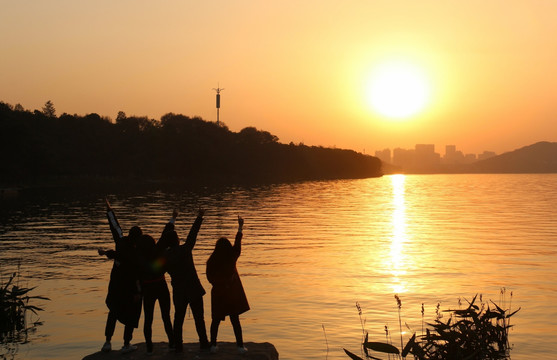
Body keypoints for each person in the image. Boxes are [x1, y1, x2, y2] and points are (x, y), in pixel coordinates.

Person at [159, 208, 210, 353]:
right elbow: (193, 234)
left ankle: (178, 345)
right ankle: (204, 343)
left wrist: (172, 219)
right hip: (193, 288)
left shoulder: (165, 257)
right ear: (177, 240)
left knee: (178, 319)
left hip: (179, 291)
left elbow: (157, 265)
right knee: (199, 318)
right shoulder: (185, 249)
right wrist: (199, 217)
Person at [98, 199, 142, 354]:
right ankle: (126, 344)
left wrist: (109, 210)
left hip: (116, 286)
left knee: (113, 313)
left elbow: (115, 227)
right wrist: (137, 292)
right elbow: (136, 274)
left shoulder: (121, 242)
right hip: (129, 290)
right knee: (130, 315)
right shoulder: (135, 254)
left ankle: (107, 342)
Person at [206, 215, 250, 354]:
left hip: (218, 293)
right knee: (235, 320)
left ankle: (213, 345)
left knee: (216, 320)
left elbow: (209, 278)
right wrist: (240, 227)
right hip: (231, 294)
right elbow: (237, 245)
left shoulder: (211, 261)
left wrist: (220, 284)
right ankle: (240, 346)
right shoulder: (231, 257)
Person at [135, 232, 174, 354]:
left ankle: (149, 347)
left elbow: (137, 276)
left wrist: (138, 290)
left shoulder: (139, 258)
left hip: (148, 288)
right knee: (166, 316)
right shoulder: (158, 253)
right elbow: (164, 238)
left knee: (148, 319)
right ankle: (172, 343)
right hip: (161, 285)